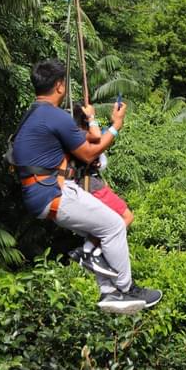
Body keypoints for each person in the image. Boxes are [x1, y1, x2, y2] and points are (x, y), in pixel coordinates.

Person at [11, 58, 162, 314]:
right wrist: (116, 126)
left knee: (103, 229)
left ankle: (109, 291)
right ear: (59, 86)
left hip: (39, 193)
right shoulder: (55, 116)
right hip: (52, 192)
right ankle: (126, 289)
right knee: (115, 224)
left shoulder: (33, 114)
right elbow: (90, 153)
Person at [67, 103, 134, 271]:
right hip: (90, 184)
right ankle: (92, 253)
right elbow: (99, 138)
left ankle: (90, 251)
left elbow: (101, 139)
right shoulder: (80, 136)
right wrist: (107, 122)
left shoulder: (69, 137)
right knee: (126, 217)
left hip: (86, 183)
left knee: (104, 220)